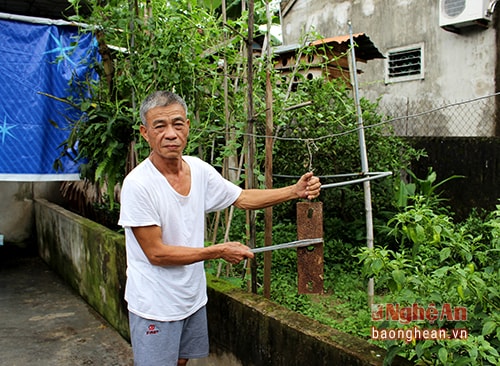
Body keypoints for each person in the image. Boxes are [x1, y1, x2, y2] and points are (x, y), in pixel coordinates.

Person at [118, 91, 321, 366]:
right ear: (145, 133)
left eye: (177, 124)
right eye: (160, 126)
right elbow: (157, 253)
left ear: (187, 126)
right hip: (155, 304)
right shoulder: (138, 185)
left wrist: (294, 191)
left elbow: (242, 198)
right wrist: (218, 251)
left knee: (181, 361)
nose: (170, 134)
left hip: (191, 297)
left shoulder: (199, 170)